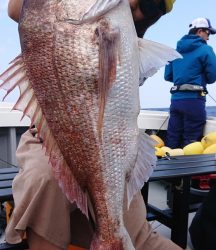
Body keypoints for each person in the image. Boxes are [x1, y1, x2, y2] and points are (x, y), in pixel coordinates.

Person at [5, 1, 182, 250]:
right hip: (49, 138)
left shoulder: (122, 29)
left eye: (150, 6)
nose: (136, 7)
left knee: (140, 237)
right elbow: (18, 10)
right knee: (43, 180)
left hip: (113, 148)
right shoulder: (62, 13)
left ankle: (110, 233)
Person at [164, 17, 216, 149]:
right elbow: (213, 75)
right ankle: (186, 168)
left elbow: (167, 76)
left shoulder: (174, 51)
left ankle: (168, 167)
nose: (208, 38)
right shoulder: (205, 49)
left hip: (176, 101)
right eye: (208, 33)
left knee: (172, 137)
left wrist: (183, 78)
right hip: (194, 101)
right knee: (191, 141)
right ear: (200, 31)